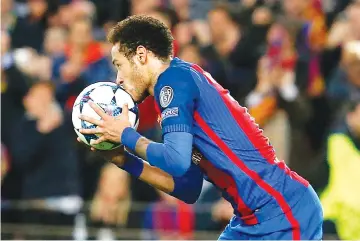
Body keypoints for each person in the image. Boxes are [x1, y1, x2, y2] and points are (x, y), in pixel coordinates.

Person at [78, 15, 323, 240]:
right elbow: (188, 188)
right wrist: (122, 159)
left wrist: (125, 134)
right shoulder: (173, 92)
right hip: (250, 219)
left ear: (141, 55)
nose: (118, 78)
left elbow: (176, 161)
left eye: (119, 64)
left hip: (282, 210)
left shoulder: (173, 81)